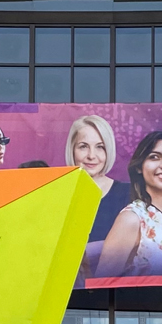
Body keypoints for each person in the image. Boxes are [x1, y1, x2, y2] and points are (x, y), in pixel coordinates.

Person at [91, 130, 162, 286]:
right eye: (154, 157)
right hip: (134, 310)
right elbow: (101, 285)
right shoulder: (132, 218)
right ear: (139, 167)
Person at [65, 114, 133, 284]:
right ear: (72, 149)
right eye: (83, 146)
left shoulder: (129, 194)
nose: (91, 155)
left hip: (117, 298)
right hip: (69, 298)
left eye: (100, 147)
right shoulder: (59, 195)